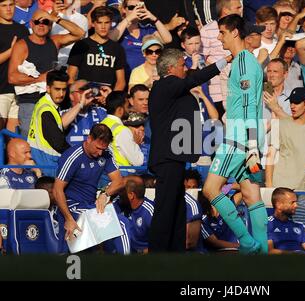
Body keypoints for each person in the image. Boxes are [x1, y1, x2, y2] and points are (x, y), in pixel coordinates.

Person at [147, 45, 228, 252]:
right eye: (183, 65)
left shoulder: (173, 88)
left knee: (176, 209)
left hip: (175, 158)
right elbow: (193, 79)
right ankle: (159, 256)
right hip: (168, 158)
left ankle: (175, 254)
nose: (186, 69)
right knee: (166, 209)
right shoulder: (165, 84)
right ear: (172, 68)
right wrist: (224, 60)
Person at [202, 14, 267, 254]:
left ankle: (248, 244)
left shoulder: (243, 63)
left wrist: (250, 146)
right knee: (251, 196)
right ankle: (262, 256)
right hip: (249, 137)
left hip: (240, 139)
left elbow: (250, 105)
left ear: (235, 33)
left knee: (210, 189)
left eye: (222, 32)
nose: (219, 37)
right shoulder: (247, 61)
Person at [53, 123, 128, 253]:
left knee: (121, 221)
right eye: (98, 148)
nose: (100, 153)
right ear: (89, 139)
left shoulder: (106, 153)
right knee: (115, 222)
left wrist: (105, 194)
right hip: (72, 205)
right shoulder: (73, 156)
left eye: (103, 149)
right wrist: (68, 218)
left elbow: (119, 182)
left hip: (90, 204)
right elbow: (57, 189)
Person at [8, 8, 85, 135]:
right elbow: (12, 77)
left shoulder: (55, 41)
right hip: (30, 102)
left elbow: (80, 33)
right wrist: (39, 78)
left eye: (45, 22)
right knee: (31, 140)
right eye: (37, 22)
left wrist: (56, 18)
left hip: (52, 101)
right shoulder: (22, 45)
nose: (41, 25)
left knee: (51, 138)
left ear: (50, 25)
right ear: (31, 24)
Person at [28, 70, 94, 177]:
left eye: (64, 89)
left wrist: (80, 104)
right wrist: (79, 155)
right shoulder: (46, 109)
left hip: (46, 163)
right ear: (48, 88)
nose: (61, 94)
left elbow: (59, 126)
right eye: (57, 89)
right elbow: (57, 142)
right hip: (47, 166)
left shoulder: (47, 104)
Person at [264, 87, 305, 191]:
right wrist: (269, 187)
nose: (292, 106)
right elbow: (270, 157)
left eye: (297, 103)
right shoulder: (278, 125)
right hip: (280, 187)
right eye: (291, 102)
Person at [67, 6, 126, 91]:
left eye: (106, 22)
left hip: (107, 98)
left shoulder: (117, 49)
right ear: (93, 23)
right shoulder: (81, 45)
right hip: (84, 97)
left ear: (111, 24)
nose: (103, 26)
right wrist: (79, 96)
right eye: (99, 22)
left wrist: (111, 99)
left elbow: (121, 82)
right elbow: (71, 77)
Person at [0, 0, 29, 132]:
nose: (8, 9)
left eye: (11, 5)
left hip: (19, 90)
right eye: (4, 6)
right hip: (1, 90)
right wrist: (12, 51)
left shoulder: (22, 29)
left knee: (13, 135)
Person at [268, 187, 305, 254]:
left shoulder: (299, 225)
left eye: (296, 202)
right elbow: (269, 251)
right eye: (292, 202)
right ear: (279, 205)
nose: (296, 205)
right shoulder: (267, 224)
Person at [61, 79, 109, 146]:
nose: (86, 93)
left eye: (89, 90)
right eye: (82, 90)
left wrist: (109, 99)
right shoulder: (64, 113)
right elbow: (61, 125)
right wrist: (80, 104)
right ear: (71, 96)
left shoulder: (100, 112)